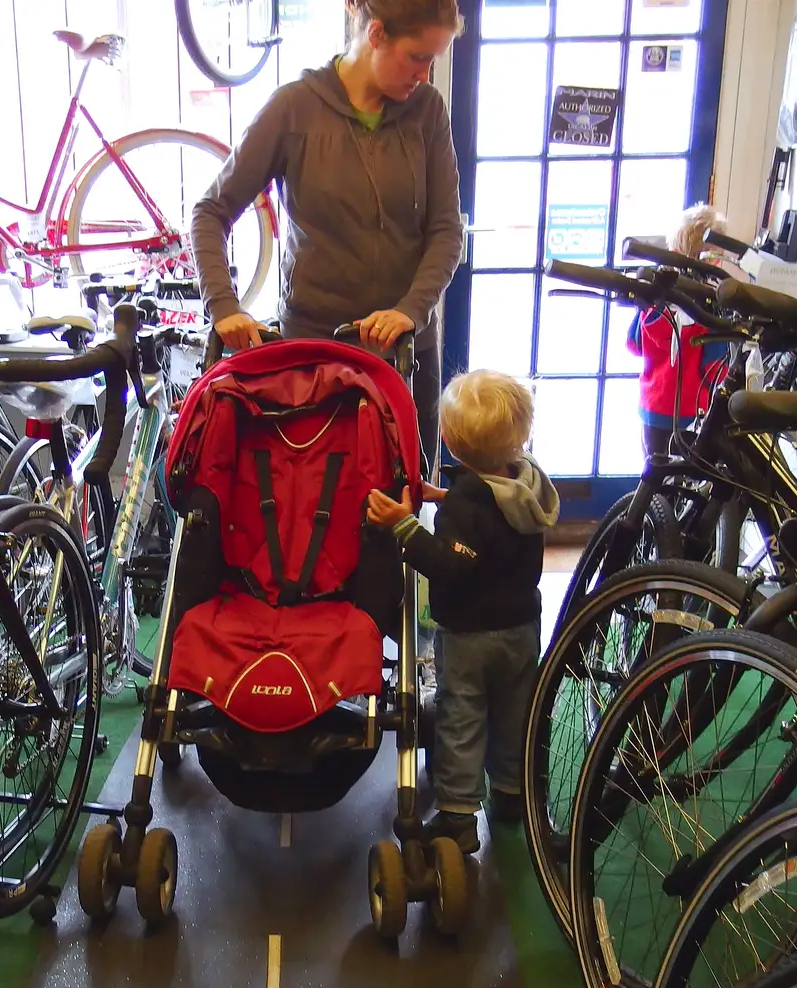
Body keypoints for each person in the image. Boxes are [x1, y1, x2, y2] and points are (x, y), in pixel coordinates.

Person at [190, 0, 464, 475]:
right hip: (315, 356)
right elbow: (209, 212)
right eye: (418, 57)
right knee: (312, 513)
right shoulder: (295, 108)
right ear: (376, 34)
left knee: (402, 514)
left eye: (434, 60)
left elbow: (446, 230)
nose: (425, 73)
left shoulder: (427, 111)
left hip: (405, 355)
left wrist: (410, 310)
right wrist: (224, 307)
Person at [365, 370, 559, 853]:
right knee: (516, 711)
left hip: (471, 636)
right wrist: (448, 495)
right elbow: (493, 515)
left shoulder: (465, 512)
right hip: (523, 628)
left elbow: (451, 565)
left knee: (462, 715)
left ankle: (457, 814)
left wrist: (404, 526)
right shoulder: (527, 483)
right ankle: (513, 795)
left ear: (448, 441)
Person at [628, 203, 732, 459]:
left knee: (654, 473)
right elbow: (713, 369)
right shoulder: (708, 305)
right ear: (715, 259)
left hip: (652, 405)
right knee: (686, 478)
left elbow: (634, 344)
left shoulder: (655, 296)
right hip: (691, 409)